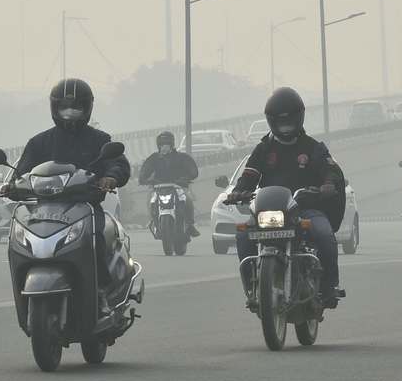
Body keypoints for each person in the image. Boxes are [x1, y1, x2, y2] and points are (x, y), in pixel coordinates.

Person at [8, 78, 131, 313]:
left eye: (76, 108)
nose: (70, 113)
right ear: (54, 108)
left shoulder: (100, 140)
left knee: (98, 238)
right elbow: (22, 171)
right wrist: (12, 186)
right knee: (18, 242)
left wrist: (111, 177)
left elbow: (118, 164)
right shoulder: (39, 142)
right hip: (41, 211)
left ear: (87, 108)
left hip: (84, 207)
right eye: (64, 107)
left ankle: (102, 292)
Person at [227, 87, 346, 306]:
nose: (286, 126)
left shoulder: (313, 147)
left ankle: (329, 287)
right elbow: (249, 175)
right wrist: (238, 191)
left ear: (299, 118)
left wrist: (328, 184)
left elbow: (330, 169)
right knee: (243, 235)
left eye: (289, 121)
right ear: (271, 121)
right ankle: (253, 288)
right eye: (281, 122)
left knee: (324, 235)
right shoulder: (263, 149)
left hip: (306, 208)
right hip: (269, 210)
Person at [138, 131, 200, 237]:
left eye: (167, 144)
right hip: (158, 188)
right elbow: (144, 170)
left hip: (178, 187)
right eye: (162, 145)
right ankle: (154, 221)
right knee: (150, 200)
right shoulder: (154, 158)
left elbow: (193, 171)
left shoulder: (182, 157)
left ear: (172, 145)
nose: (164, 147)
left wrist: (185, 178)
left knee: (188, 200)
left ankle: (190, 225)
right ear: (159, 146)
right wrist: (143, 179)